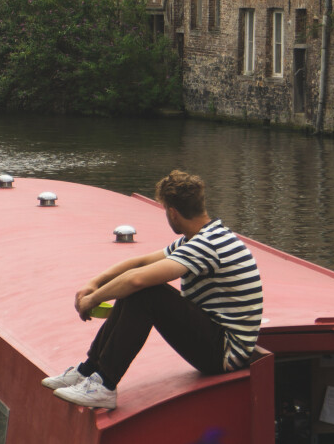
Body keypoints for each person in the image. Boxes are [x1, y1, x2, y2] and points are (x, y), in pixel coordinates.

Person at [42, 169, 263, 410]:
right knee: (139, 288)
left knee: (147, 293)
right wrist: (94, 283)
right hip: (218, 340)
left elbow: (138, 279)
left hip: (224, 354)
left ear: (172, 213)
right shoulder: (202, 237)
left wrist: (92, 299)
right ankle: (88, 371)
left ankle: (104, 384)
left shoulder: (206, 245)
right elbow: (140, 263)